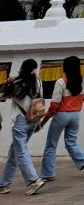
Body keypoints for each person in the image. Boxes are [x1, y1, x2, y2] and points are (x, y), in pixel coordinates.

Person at [40, 56, 84, 181]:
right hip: (75, 115)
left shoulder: (61, 82)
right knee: (71, 142)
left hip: (62, 115)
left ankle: (48, 174)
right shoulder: (83, 80)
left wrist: (44, 120)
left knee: (51, 144)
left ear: (65, 67)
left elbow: (54, 104)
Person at [0, 59, 46, 195]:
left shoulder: (17, 83)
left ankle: (34, 180)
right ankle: (4, 184)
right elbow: (40, 102)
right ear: (34, 70)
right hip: (33, 119)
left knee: (20, 152)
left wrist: (7, 83)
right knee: (14, 152)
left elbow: (2, 96)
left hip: (20, 120)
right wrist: (39, 121)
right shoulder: (38, 82)